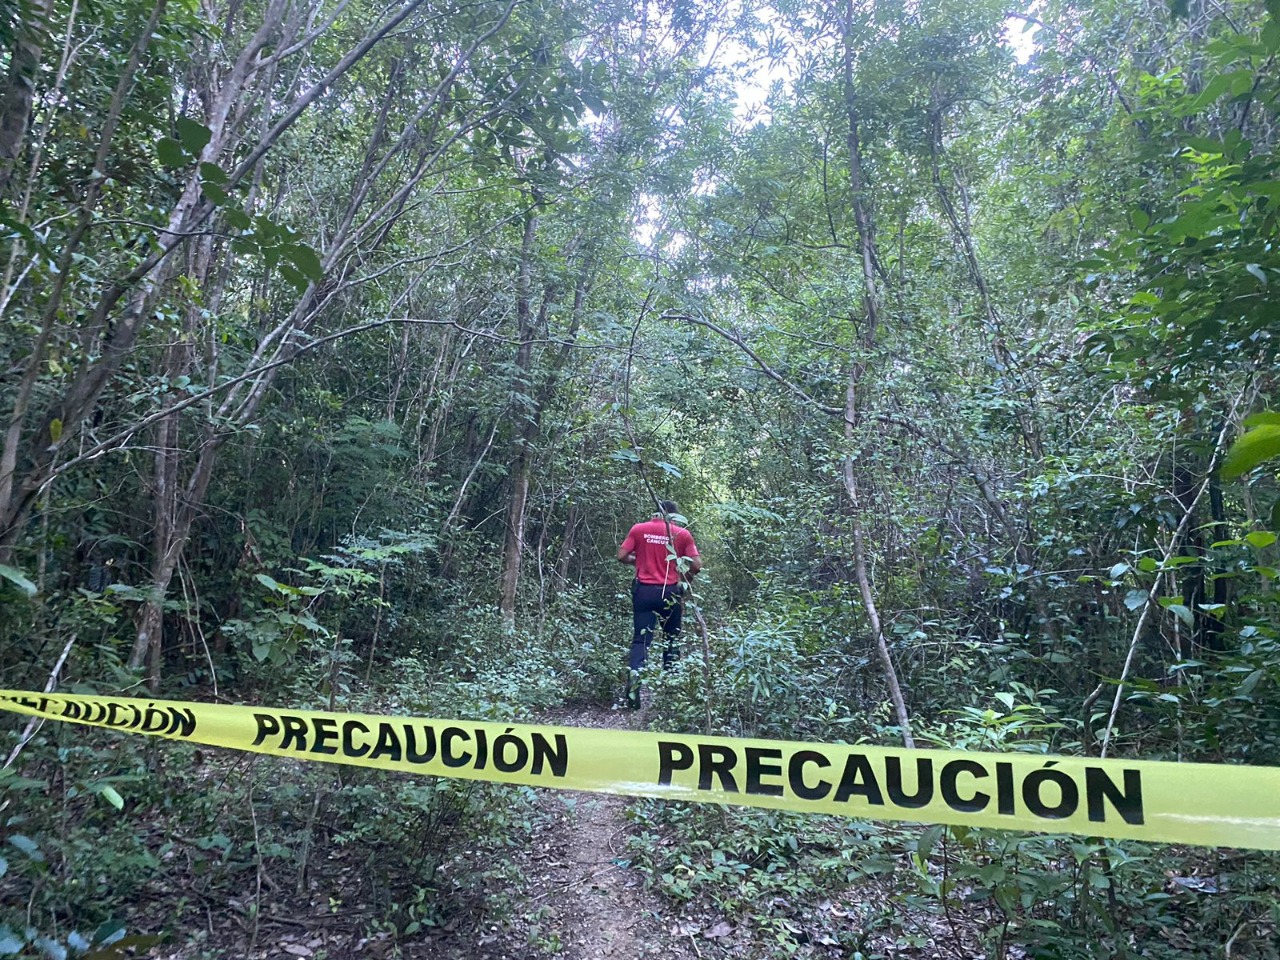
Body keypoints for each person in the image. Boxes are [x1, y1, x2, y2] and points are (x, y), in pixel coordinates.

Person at [617, 500, 702, 708]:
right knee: (671, 639)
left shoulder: (639, 529)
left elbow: (621, 555)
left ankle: (634, 688)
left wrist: (638, 561)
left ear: (655, 513)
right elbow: (697, 565)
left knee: (641, 641)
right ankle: (670, 693)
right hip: (670, 592)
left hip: (643, 592)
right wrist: (684, 582)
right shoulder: (681, 533)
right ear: (674, 516)